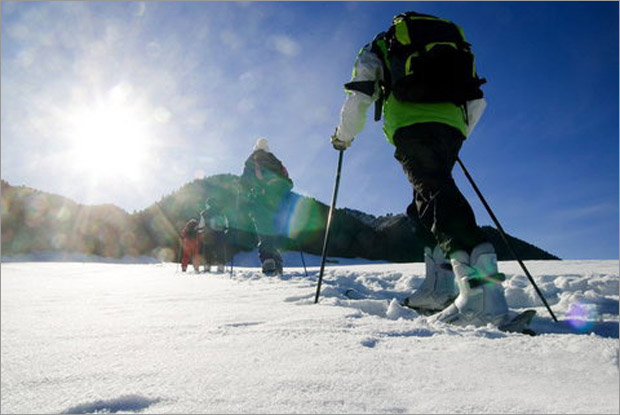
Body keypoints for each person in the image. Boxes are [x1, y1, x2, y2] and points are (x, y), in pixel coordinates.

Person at [331, 11, 511, 328]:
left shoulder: (382, 43)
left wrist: (344, 136)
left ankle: (483, 297)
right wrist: (456, 129)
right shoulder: (453, 41)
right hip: (453, 124)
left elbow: (361, 92)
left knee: (434, 194)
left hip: (411, 124)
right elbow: (475, 96)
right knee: (421, 203)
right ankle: (440, 288)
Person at [240, 138, 293, 275]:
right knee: (273, 230)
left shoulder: (252, 162)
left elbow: (244, 183)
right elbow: (288, 181)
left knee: (264, 230)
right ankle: (277, 263)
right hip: (277, 200)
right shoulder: (276, 161)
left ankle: (269, 260)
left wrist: (243, 202)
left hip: (260, 199)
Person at [198, 198, 229, 273]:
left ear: (208, 204)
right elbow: (226, 223)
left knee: (208, 250)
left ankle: (207, 267)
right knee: (220, 250)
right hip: (220, 234)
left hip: (209, 234)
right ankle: (221, 267)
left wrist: (200, 230)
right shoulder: (221, 213)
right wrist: (225, 230)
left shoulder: (204, 213)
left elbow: (202, 224)